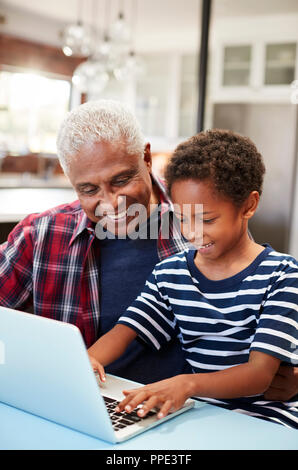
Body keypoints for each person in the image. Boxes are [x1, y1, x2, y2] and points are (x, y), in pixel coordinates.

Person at [0, 101, 297, 398]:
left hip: (197, 409)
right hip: (97, 402)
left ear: (146, 157)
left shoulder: (204, 204)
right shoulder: (40, 235)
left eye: (121, 180)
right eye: (89, 189)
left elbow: (264, 331)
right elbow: (128, 329)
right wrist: (71, 367)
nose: (111, 202)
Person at [88, 129, 298, 428]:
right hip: (201, 415)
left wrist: (187, 384)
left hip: (268, 419)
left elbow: (258, 376)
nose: (192, 232)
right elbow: (125, 331)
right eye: (182, 218)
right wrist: (89, 360)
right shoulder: (171, 273)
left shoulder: (281, 275)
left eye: (207, 219)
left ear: (249, 206)